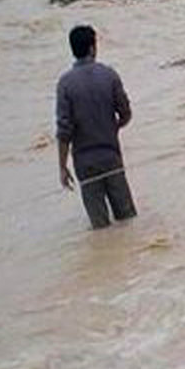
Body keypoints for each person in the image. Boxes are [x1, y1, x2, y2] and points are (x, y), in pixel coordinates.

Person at [56, 24, 137, 229]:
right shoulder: (109, 75)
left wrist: (62, 167)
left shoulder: (65, 84)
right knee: (128, 218)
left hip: (84, 162)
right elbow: (126, 113)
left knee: (100, 227)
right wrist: (113, 127)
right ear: (92, 48)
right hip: (111, 155)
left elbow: (64, 131)